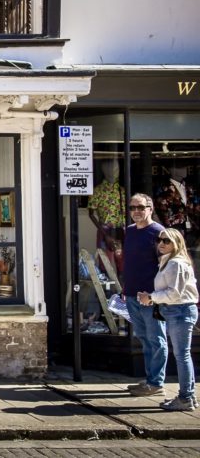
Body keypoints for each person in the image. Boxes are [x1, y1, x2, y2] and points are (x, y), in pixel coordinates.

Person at [137, 228, 199, 411]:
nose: (161, 244)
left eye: (167, 241)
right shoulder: (168, 262)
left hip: (180, 311)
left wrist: (151, 297)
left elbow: (174, 293)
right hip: (177, 311)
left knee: (182, 356)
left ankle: (186, 398)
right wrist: (152, 297)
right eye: (159, 240)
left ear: (176, 243)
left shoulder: (175, 264)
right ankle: (188, 397)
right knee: (182, 355)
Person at [123, 193, 167, 398]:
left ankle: (156, 382)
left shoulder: (158, 232)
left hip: (150, 297)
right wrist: (125, 288)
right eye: (132, 208)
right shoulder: (130, 231)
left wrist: (155, 295)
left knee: (156, 339)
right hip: (132, 294)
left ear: (150, 208)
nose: (136, 212)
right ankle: (150, 380)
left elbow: (166, 266)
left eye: (140, 207)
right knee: (144, 338)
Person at [88, 159, 125, 274]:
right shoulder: (98, 191)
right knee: (105, 263)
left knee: (123, 264)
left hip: (121, 229)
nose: (114, 172)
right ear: (104, 171)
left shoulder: (122, 190)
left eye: (117, 169)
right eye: (111, 169)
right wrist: (105, 235)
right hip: (105, 230)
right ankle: (106, 292)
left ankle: (123, 291)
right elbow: (91, 213)